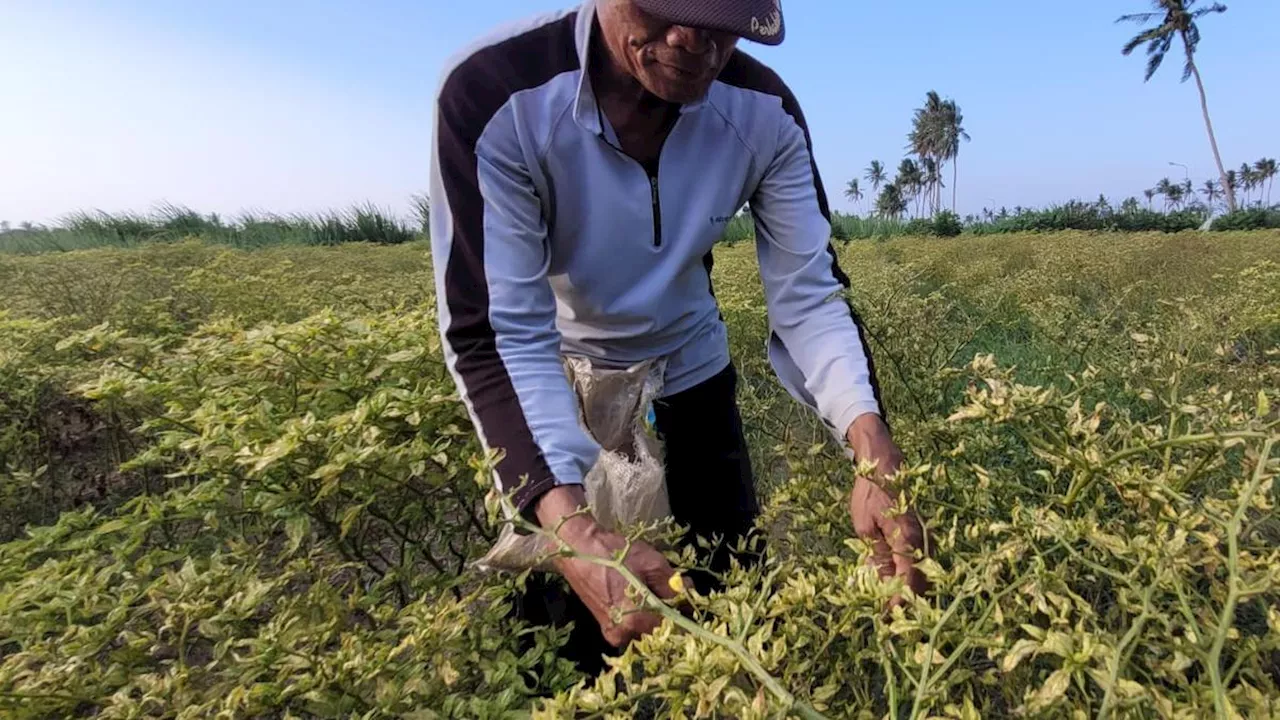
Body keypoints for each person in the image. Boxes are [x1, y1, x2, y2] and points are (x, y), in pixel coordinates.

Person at [428, 0, 927, 676]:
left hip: (692, 377)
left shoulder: (762, 111)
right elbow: (500, 333)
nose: (691, 40)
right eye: (662, 8)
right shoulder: (496, 95)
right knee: (574, 645)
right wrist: (572, 530)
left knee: (731, 609)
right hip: (559, 391)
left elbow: (809, 297)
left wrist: (872, 452)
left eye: (722, 17)